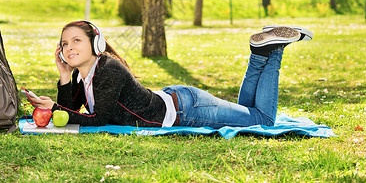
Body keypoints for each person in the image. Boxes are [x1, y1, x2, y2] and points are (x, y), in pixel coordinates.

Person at [31, 20, 313, 129]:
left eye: (76, 41)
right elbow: (69, 113)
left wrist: (55, 108)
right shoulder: (84, 75)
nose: (69, 48)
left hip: (187, 110)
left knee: (262, 120)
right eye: (65, 43)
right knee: (249, 113)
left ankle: (273, 51)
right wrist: (64, 76)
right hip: (179, 100)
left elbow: (97, 119)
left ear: (96, 44)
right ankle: (260, 49)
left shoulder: (107, 69)